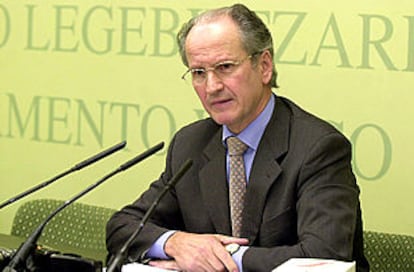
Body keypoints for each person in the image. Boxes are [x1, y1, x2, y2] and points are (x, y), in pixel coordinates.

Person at [106, 4, 369, 272]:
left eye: (225, 67)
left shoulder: (317, 147)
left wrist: (221, 259)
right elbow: (123, 226)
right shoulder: (190, 144)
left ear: (264, 66)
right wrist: (176, 242)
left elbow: (323, 255)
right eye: (199, 72)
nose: (212, 86)